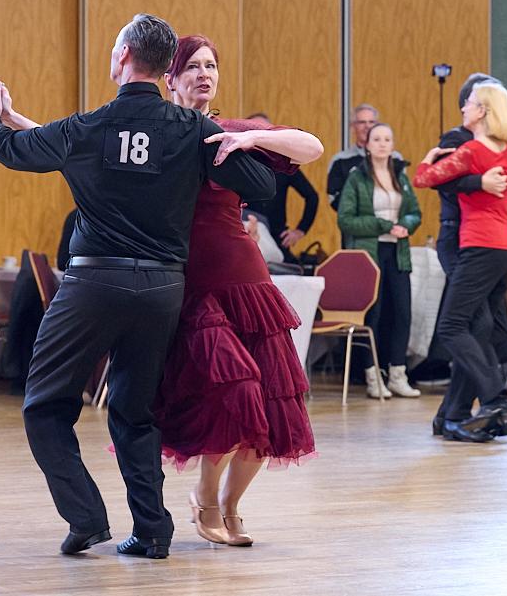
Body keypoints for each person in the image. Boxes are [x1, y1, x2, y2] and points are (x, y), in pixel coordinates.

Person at [0, 14, 276, 559]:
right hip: (163, 289)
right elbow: (261, 185)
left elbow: (12, 150)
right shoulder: (195, 131)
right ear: (165, 70)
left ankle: (87, 517)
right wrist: (235, 140)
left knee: (44, 405)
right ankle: (153, 531)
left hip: (93, 284)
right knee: (137, 413)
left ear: (121, 59)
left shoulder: (89, 127)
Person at [155, 34, 321, 548]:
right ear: (170, 78)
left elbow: (311, 146)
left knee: (272, 404)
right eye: (193, 66)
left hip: (245, 279)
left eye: (212, 65)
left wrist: (253, 140)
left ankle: (229, 505)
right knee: (234, 392)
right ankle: (204, 498)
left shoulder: (230, 130)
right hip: (192, 283)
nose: (204, 74)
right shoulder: (157, 132)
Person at [414, 82, 507, 442]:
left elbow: (424, 179)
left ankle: (495, 398)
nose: (463, 108)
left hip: (477, 246)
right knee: (477, 329)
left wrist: (428, 157)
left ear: (482, 110)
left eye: (468, 103)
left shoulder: (468, 148)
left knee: (452, 327)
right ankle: (454, 415)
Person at [337, 123, 421, 398]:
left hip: (398, 252)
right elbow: (345, 220)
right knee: (373, 314)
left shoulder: (401, 176)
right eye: (377, 139)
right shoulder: (357, 177)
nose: (383, 144)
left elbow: (414, 212)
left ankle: (397, 373)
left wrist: (406, 224)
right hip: (370, 255)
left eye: (387, 139)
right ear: (367, 145)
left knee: (402, 313)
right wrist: (384, 225)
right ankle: (373, 377)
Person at [244, 113, 319, 263]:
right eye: (254, 130)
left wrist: (300, 230)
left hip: (277, 235)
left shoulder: (282, 162)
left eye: (264, 130)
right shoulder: (239, 161)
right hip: (246, 233)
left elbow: (312, 196)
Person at [326, 104, 403, 210]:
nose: (367, 126)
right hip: (354, 223)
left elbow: (401, 192)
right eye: (362, 122)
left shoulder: (395, 158)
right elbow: (333, 198)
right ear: (353, 127)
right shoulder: (340, 160)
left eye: (371, 122)